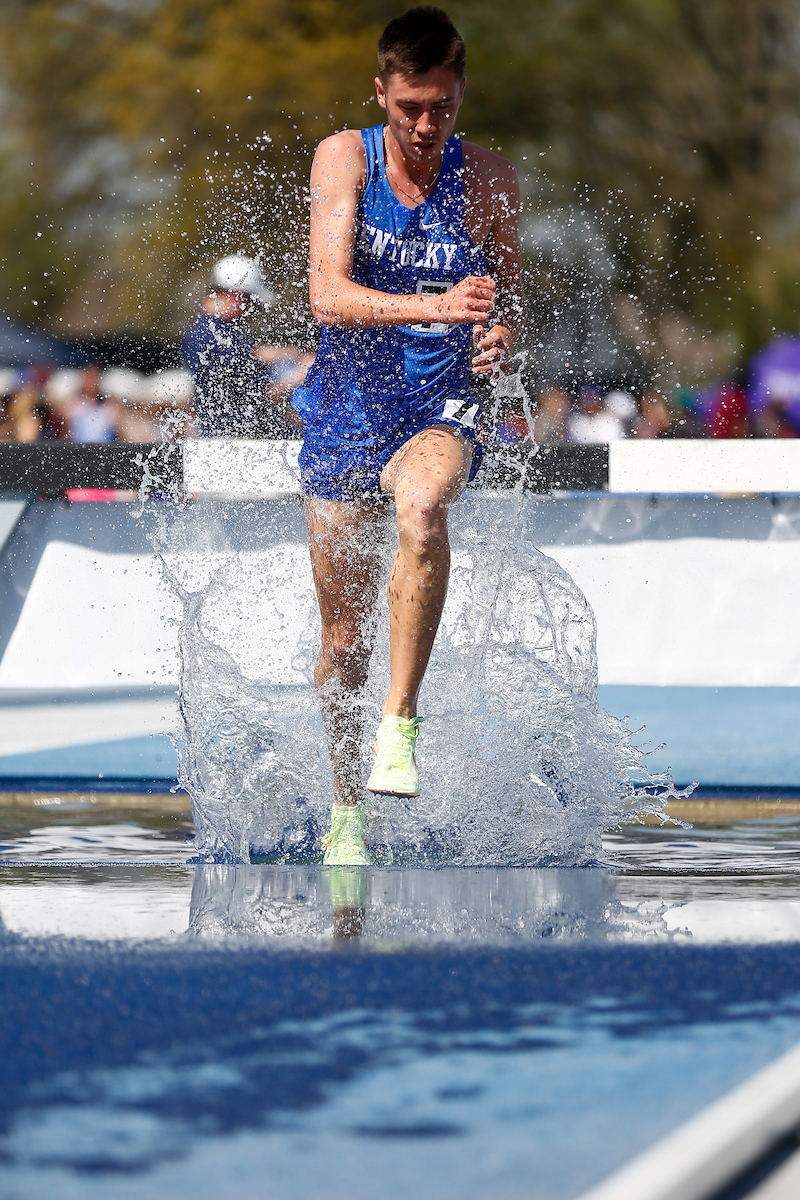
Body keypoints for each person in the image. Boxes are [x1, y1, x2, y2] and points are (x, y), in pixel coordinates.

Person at [292, 6, 525, 865]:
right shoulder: (344, 158)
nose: (427, 127)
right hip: (348, 412)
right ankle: (346, 811)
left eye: (443, 108)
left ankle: (401, 720)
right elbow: (328, 296)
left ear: (462, 95)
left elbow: (510, 298)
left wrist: (500, 335)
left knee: (423, 507)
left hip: (439, 405)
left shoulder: (490, 179)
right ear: (382, 93)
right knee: (343, 647)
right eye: (411, 109)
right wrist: (438, 305)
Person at [182, 254, 303, 438]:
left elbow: (248, 360)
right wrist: (301, 377)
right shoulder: (215, 336)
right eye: (250, 300)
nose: (252, 310)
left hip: (221, 435)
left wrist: (281, 354)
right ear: (237, 295)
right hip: (237, 439)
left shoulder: (208, 331)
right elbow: (260, 394)